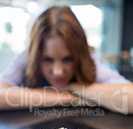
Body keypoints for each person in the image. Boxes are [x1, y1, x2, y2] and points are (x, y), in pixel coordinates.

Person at [0, 6, 132, 113]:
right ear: (36, 56)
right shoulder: (27, 58)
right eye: (48, 60)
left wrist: (74, 87)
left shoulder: (89, 62)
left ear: (79, 56)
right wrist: (64, 97)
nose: (58, 72)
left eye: (67, 59)